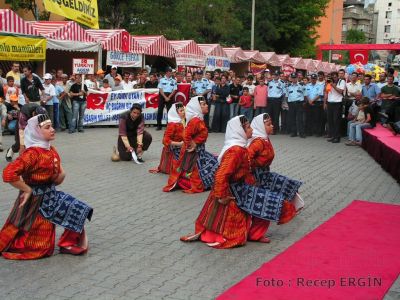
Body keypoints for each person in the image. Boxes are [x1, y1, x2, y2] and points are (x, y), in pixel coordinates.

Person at [0, 114, 93, 259]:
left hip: (51, 196)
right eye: (47, 127)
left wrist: (61, 174)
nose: (53, 130)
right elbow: (8, 173)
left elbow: (56, 177)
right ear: (36, 131)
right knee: (41, 248)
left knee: (79, 208)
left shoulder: (50, 149)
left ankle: (67, 243)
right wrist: (27, 189)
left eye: (52, 126)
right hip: (35, 203)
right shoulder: (32, 154)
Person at [180, 116, 272, 248]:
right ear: (239, 131)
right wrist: (221, 196)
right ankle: (221, 236)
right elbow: (221, 175)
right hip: (229, 191)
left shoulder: (240, 147)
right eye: (248, 127)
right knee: (233, 229)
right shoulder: (236, 150)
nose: (252, 129)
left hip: (233, 187)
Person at [242, 113, 303, 242]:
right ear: (261, 126)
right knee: (267, 202)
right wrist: (252, 176)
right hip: (256, 178)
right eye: (268, 124)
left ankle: (291, 208)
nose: (272, 126)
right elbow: (245, 160)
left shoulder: (265, 139)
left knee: (288, 184)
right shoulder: (257, 143)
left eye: (271, 124)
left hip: (265, 175)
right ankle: (256, 234)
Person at [163, 96, 218, 194]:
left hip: (197, 149)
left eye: (206, 104)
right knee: (194, 168)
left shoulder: (197, 119)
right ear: (197, 107)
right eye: (203, 104)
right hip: (189, 150)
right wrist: (191, 145)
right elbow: (185, 135)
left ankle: (201, 184)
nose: (206, 106)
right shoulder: (195, 121)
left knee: (206, 164)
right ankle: (195, 186)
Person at [149, 102, 185, 174]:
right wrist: (179, 144)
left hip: (182, 147)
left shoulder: (182, 121)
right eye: (181, 111)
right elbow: (165, 140)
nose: (183, 112)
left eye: (183, 110)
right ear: (175, 113)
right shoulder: (172, 125)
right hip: (173, 150)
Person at [325, 71, 345, 143]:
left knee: (336, 120)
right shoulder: (329, 82)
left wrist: (333, 85)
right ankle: (332, 136)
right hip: (330, 103)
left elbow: (340, 91)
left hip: (337, 103)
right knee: (330, 121)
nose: (334, 77)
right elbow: (326, 91)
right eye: (332, 76)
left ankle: (337, 137)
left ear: (337, 76)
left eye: (335, 76)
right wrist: (327, 84)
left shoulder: (341, 81)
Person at [287, 73, 306, 138]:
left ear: (297, 78)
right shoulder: (288, 86)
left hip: (299, 103)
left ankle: (301, 133)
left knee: (300, 119)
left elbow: (305, 94)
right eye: (293, 78)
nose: (294, 79)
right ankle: (294, 132)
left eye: (295, 77)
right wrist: (288, 103)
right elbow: (287, 95)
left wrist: (304, 102)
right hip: (291, 104)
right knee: (292, 118)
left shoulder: (301, 85)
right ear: (291, 78)